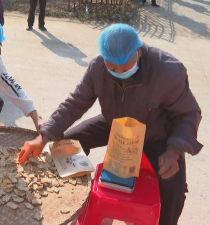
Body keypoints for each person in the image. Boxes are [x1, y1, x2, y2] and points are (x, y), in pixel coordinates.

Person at [18, 24, 202, 225]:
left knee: (173, 189)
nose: (119, 72)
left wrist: (174, 151)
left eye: (125, 67)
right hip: (115, 123)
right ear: (104, 58)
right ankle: (77, 198)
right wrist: (42, 137)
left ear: (138, 52)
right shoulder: (97, 67)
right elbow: (75, 103)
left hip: (157, 133)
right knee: (65, 147)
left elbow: (188, 114)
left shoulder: (167, 71)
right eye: (112, 68)